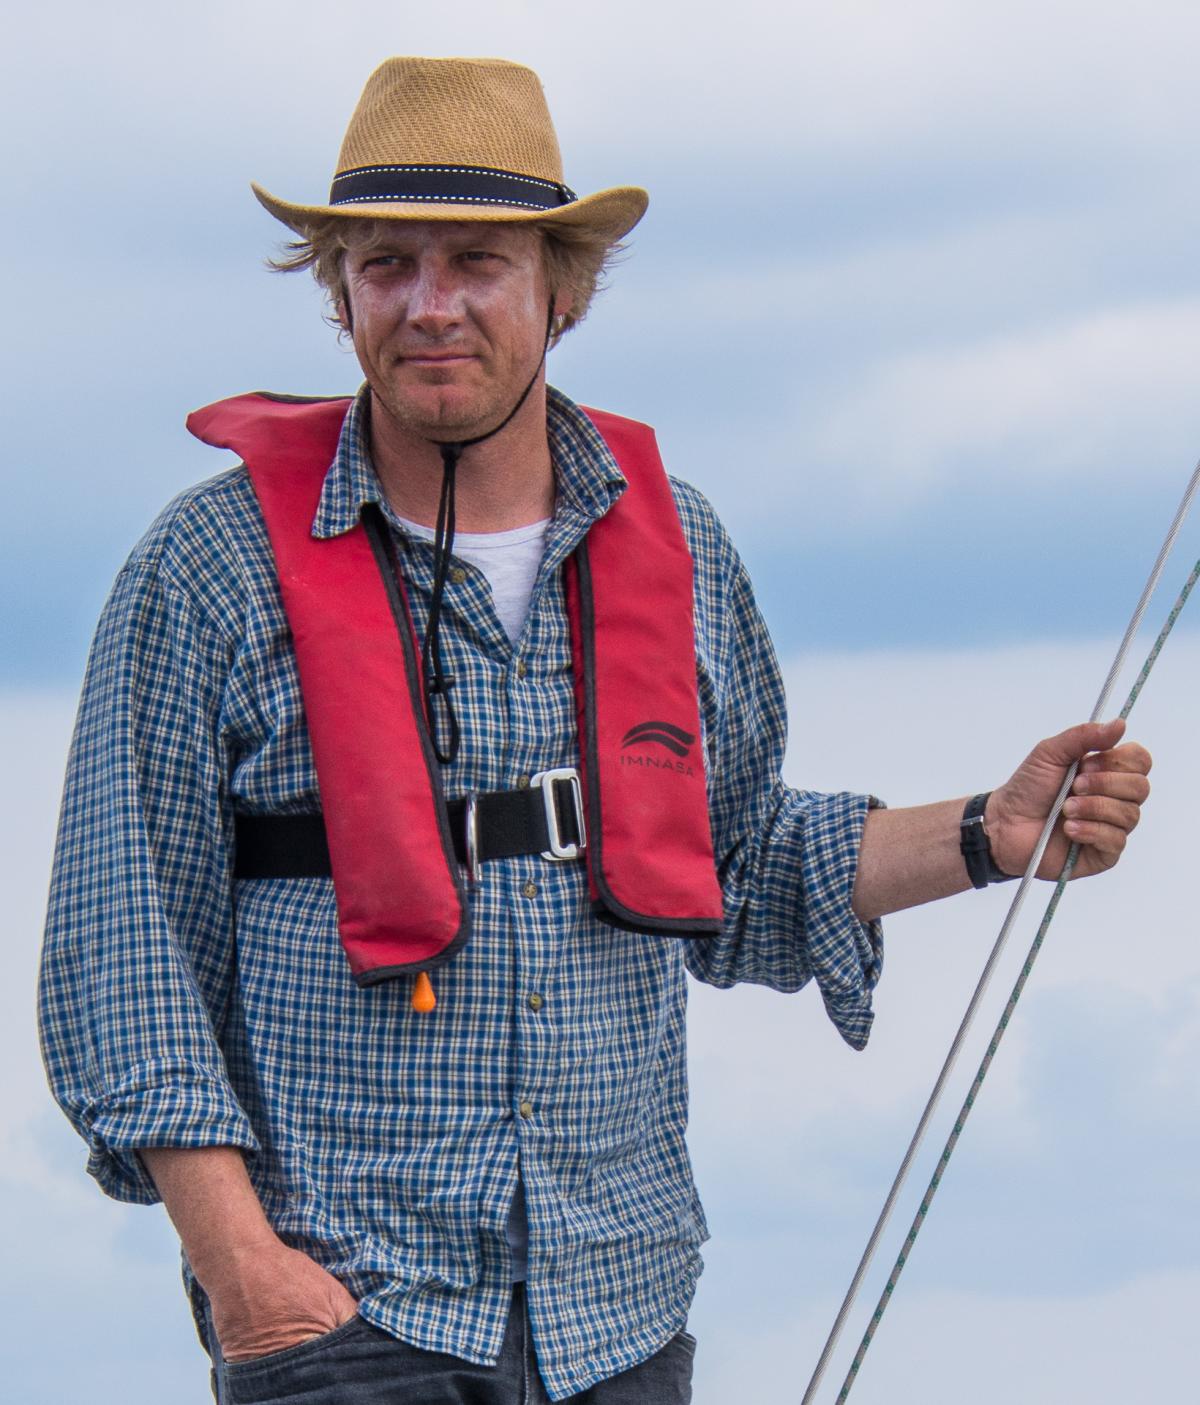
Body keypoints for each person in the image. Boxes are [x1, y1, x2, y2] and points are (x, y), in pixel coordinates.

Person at [38, 56, 1152, 1405]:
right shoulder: (206, 568)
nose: (431, 304)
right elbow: (124, 948)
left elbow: (737, 863)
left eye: (478, 262)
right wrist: (247, 1276)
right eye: (386, 264)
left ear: (563, 288)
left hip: (616, 1314)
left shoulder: (681, 549)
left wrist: (992, 833)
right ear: (337, 294)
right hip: (342, 1315)